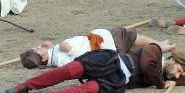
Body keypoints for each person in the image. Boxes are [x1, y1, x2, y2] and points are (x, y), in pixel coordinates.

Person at [6, 45, 185, 93]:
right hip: (110, 61)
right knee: (69, 70)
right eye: (179, 70)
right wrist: (162, 84)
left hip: (118, 81)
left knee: (87, 90)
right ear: (173, 59)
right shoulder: (154, 52)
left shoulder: (165, 77)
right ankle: (26, 86)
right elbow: (146, 64)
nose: (178, 76)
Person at [19, 27, 174, 69]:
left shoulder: (53, 56)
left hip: (102, 44)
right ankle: (160, 47)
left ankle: (159, 46)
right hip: (102, 46)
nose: (38, 47)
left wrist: (50, 47)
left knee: (131, 43)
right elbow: (78, 58)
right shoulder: (60, 57)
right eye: (37, 49)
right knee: (128, 35)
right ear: (43, 57)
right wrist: (66, 48)